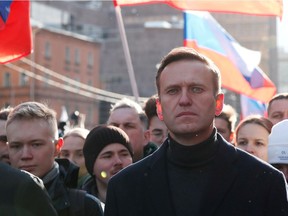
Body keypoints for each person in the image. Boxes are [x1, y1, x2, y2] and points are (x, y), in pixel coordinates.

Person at [104, 47, 288, 216]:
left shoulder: (265, 182)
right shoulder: (124, 187)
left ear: (218, 103)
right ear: (159, 107)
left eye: (196, 89)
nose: (184, 100)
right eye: (173, 90)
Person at [6, 101, 104, 216]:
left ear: (57, 147)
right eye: (16, 146)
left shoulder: (85, 207)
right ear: (8, 148)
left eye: (36, 144)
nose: (25, 155)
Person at [82, 125, 133, 203]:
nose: (118, 161)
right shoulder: (79, 207)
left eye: (124, 154)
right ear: (92, 167)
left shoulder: (150, 198)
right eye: (108, 156)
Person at [107, 98, 157, 162]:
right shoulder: (97, 169)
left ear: (146, 137)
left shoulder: (162, 168)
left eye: (129, 126)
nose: (120, 131)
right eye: (114, 126)